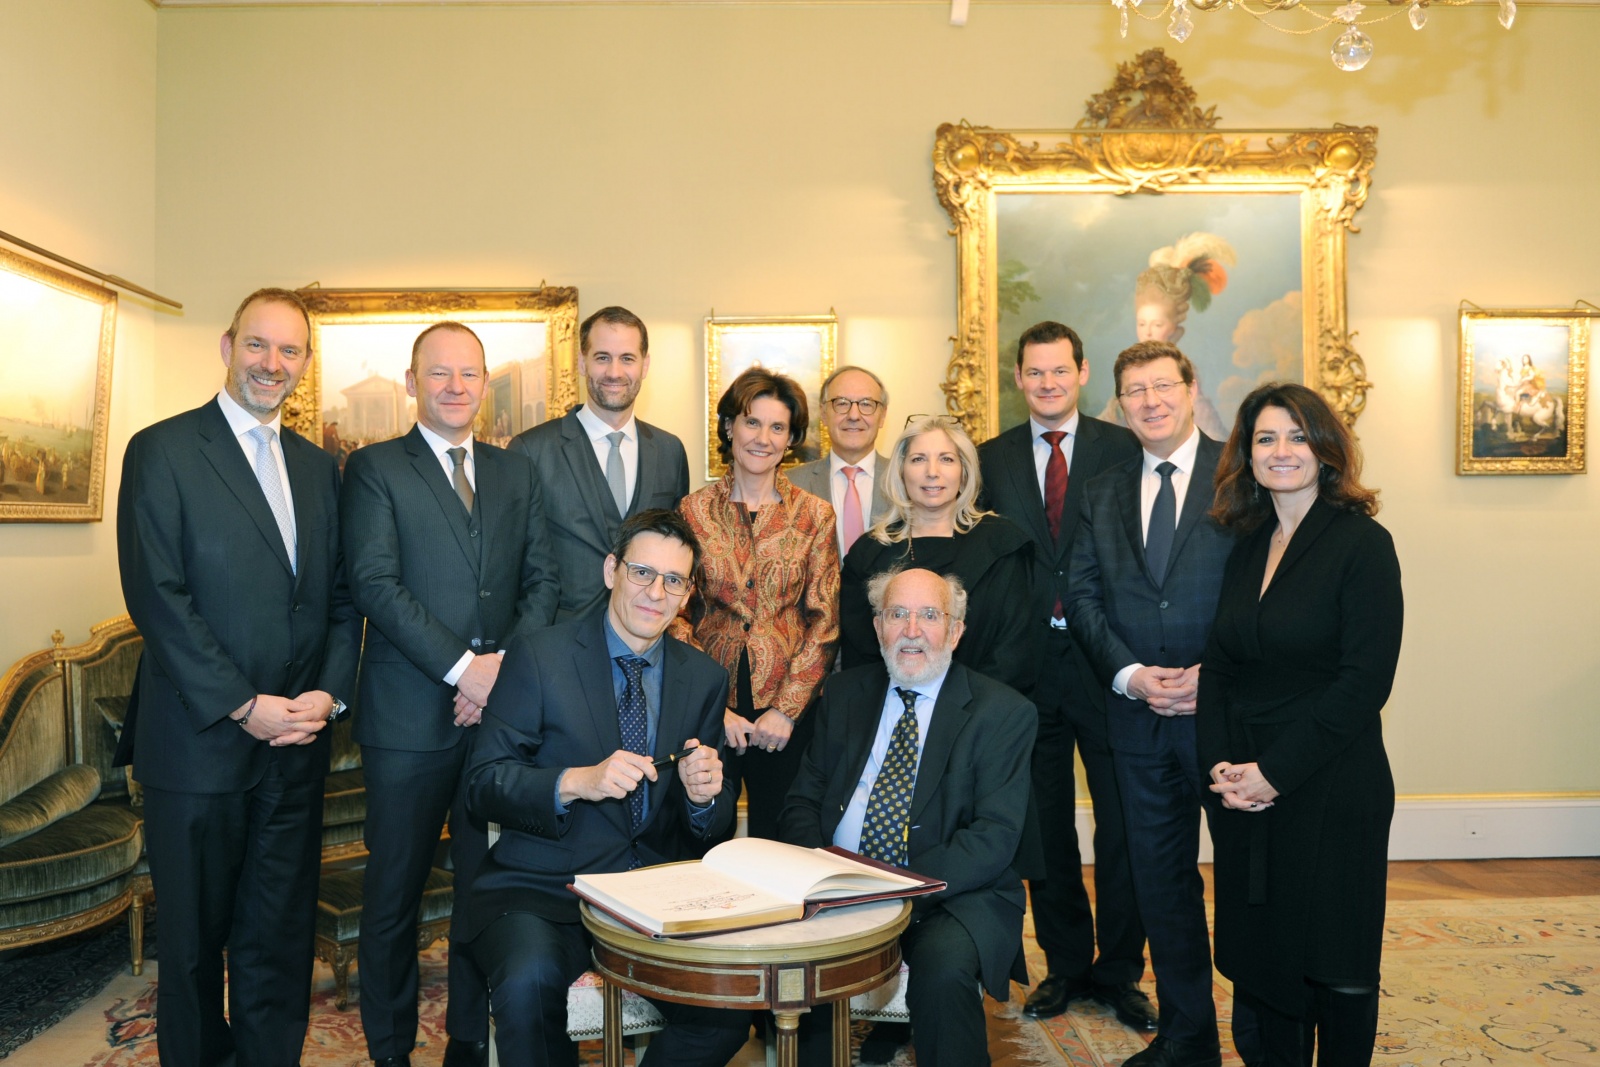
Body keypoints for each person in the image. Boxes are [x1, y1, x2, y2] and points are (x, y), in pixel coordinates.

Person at [115, 287, 362, 1067]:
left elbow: (337, 598)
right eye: (258, 345)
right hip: (198, 745)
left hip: (296, 746)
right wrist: (243, 704)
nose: (272, 364)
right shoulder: (163, 450)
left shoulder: (320, 468)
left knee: (279, 937)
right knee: (193, 947)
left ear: (306, 365)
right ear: (226, 348)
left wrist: (326, 693)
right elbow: (158, 597)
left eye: (289, 351)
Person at [339, 322, 561, 1067]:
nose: (456, 387)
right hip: (407, 720)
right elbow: (375, 583)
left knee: (482, 888)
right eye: (440, 374)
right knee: (393, 895)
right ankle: (392, 1049)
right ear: (411, 382)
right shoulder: (373, 468)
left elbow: (543, 583)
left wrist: (496, 671)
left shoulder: (515, 473)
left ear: (486, 386)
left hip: (496, 722)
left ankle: (467, 1040)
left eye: (469, 374)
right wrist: (465, 668)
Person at [457, 509, 749, 1067]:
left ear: (687, 596)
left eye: (673, 581)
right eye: (642, 572)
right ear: (611, 570)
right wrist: (574, 783)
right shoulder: (540, 656)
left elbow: (708, 833)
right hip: (545, 889)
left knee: (733, 1008)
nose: (655, 593)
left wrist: (705, 796)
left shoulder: (704, 678)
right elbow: (483, 784)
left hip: (657, 898)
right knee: (527, 987)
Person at [1200, 383, 1404, 1066]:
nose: (1280, 450)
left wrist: (1275, 773)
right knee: (1264, 956)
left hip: (1331, 784)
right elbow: (1222, 664)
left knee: (1333, 956)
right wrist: (1223, 768)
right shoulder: (1247, 543)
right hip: (1245, 787)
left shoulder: (1364, 545)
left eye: (1295, 435)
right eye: (1265, 438)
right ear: (1247, 455)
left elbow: (1363, 684)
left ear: (1325, 449)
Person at [780, 567, 1037, 1067]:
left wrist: (898, 887)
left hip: (950, 893)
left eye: (929, 615)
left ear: (957, 630)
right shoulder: (845, 696)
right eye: (897, 614)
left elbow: (994, 837)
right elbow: (802, 803)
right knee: (796, 961)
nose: (912, 630)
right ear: (878, 628)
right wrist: (821, 875)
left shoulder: (1003, 713)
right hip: (838, 884)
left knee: (943, 972)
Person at [1065, 340, 1236, 1067]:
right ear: (1119, 402)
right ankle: (1188, 1034)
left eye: (1162, 385)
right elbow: (1082, 594)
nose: (1150, 400)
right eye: (1134, 390)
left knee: (1250, 882)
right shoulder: (1102, 490)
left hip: (1229, 718)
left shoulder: (1242, 472)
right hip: (1136, 720)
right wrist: (1130, 672)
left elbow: (1268, 584)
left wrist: (1217, 672)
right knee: (1162, 884)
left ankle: (1262, 1031)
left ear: (1190, 388)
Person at [976, 322, 1151, 1029]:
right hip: (1024, 672)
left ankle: (1119, 970)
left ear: (1081, 375)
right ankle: (1066, 963)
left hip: (1107, 662)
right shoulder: (989, 459)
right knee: (1043, 829)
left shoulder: (1123, 448)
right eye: (1034, 373)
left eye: (1060, 371)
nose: (1047, 384)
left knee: (1123, 828)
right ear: (1018, 378)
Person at [676, 367, 838, 839]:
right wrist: (712, 708)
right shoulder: (692, 511)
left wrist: (786, 710)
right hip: (709, 705)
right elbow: (678, 615)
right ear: (729, 427)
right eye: (752, 422)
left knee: (782, 840)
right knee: (704, 835)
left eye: (777, 427)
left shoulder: (814, 515)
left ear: (791, 439)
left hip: (787, 713)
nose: (762, 438)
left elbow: (825, 621)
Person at [510, 305, 691, 622]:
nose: (615, 372)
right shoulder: (531, 450)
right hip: (558, 640)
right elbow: (513, 560)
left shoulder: (669, 451)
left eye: (627, 358)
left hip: (646, 637)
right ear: (582, 362)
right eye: (602, 357)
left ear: (645, 365)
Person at [839, 414, 1034, 694]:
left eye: (946, 459)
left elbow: (1015, 652)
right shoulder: (868, 554)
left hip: (984, 714)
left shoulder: (1003, 545)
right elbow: (861, 661)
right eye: (918, 459)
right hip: (893, 714)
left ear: (964, 471)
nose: (932, 471)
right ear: (901, 471)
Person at [788, 365, 892, 558]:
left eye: (867, 404)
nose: (853, 415)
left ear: (882, 415)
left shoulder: (905, 481)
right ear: (824, 414)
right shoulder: (789, 484)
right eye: (842, 403)